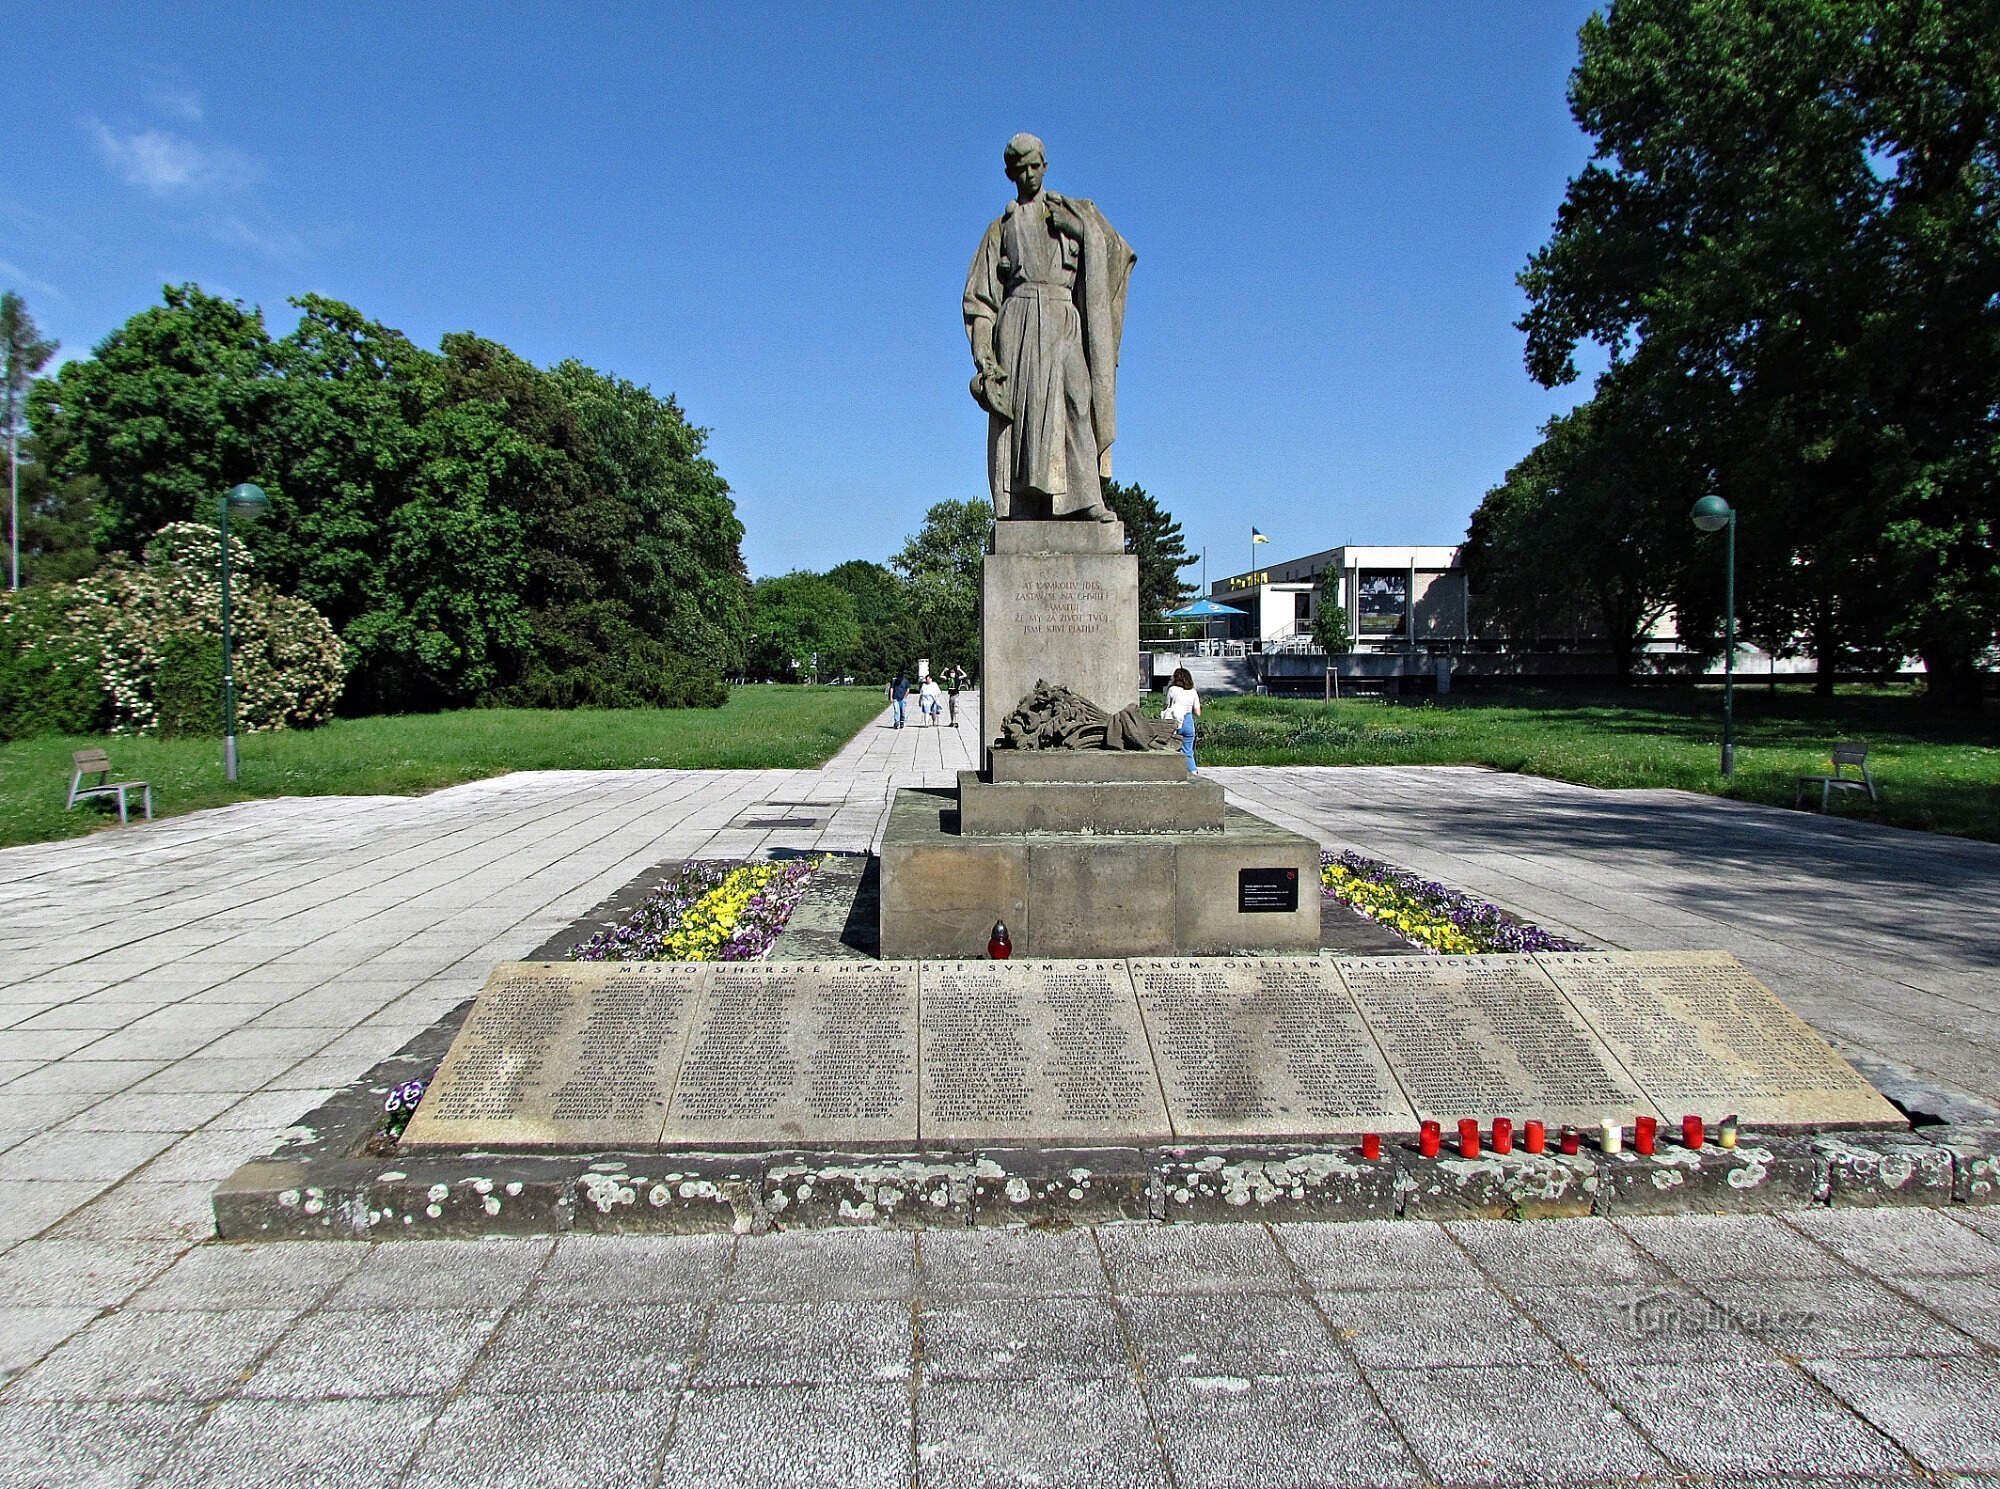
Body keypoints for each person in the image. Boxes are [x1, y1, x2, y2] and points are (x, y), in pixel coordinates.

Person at [964, 133, 1135, 522]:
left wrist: (1077, 231)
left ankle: (1087, 496)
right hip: (1019, 323)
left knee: (1078, 400)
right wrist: (985, 357)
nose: (1028, 176)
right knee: (1022, 419)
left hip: (1063, 318)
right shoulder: (1001, 227)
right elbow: (980, 300)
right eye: (1019, 170)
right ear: (1010, 175)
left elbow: (1117, 254)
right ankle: (1024, 506)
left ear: (1045, 166)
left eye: (1034, 167)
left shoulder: (1072, 213)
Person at [1162, 666, 1202, 774]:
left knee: (1171, 749)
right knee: (1188, 751)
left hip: (1174, 722)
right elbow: (1198, 713)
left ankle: (1172, 772)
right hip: (1188, 721)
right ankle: (1193, 772)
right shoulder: (1193, 692)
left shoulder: (1172, 690)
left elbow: (1166, 706)